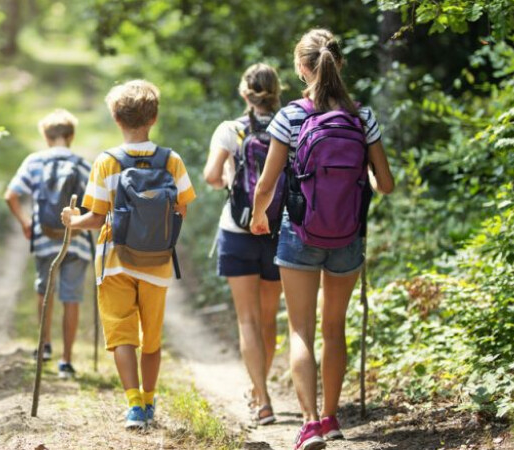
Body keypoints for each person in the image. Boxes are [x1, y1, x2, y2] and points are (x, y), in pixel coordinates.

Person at [250, 29, 394, 450]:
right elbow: (386, 183)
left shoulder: (291, 116)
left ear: (301, 67)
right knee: (335, 328)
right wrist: (359, 182)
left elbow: (266, 184)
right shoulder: (362, 117)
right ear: (339, 63)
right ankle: (331, 418)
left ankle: (309, 423)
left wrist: (258, 217)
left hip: (299, 231)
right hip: (347, 235)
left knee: (300, 329)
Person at [61, 80, 197, 430]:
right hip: (158, 263)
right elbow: (182, 209)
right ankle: (150, 400)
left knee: (122, 334)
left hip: (115, 262)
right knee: (151, 339)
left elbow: (95, 218)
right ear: (154, 118)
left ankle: (134, 405)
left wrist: (72, 221)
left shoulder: (106, 162)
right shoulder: (172, 160)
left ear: (116, 118)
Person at [202, 63, 284, 426]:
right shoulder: (290, 125)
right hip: (277, 231)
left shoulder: (230, 130)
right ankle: (258, 388)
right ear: (277, 91)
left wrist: (229, 182)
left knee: (247, 320)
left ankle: (261, 399)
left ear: (244, 93)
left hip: (237, 230)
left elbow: (211, 176)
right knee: (268, 318)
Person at [4, 109, 93, 379]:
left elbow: (10, 196)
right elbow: (96, 204)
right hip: (76, 239)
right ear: (71, 136)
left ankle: (44, 346)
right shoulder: (83, 164)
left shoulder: (34, 162)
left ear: (46, 137)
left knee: (45, 290)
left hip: (44, 237)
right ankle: (66, 361)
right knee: (72, 297)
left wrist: (25, 222)